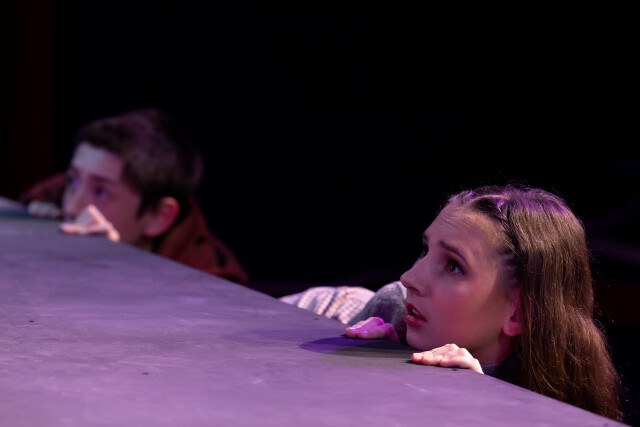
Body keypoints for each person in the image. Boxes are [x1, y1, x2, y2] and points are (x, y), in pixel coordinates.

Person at [283, 184, 623, 421]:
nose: (410, 278)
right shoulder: (394, 308)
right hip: (333, 307)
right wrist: (366, 371)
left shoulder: (552, 392)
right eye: (424, 250)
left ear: (519, 313)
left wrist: (475, 406)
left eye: (453, 266)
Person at [19, 108, 250, 287]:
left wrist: (115, 269)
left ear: (158, 216)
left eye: (101, 192)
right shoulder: (58, 195)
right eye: (74, 181)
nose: (71, 207)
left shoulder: (210, 281)